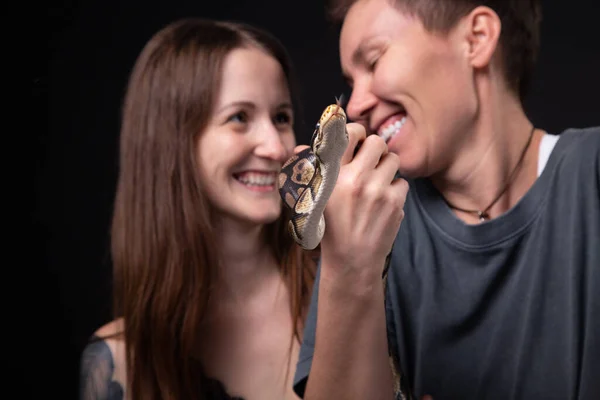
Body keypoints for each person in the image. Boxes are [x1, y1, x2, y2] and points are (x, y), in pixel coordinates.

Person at [293, 0, 600, 399]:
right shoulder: (369, 221)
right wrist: (350, 266)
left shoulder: (590, 172)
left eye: (373, 61)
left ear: (476, 39)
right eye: (351, 83)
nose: (354, 106)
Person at [79, 18, 317, 400]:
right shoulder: (118, 362)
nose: (275, 147)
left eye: (281, 118)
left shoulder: (343, 287)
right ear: (172, 141)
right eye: (239, 117)